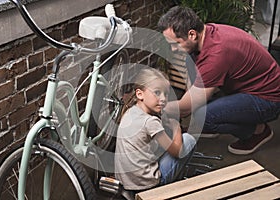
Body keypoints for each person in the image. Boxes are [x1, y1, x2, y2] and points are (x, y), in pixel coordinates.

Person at [157, 6, 280, 155]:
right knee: (197, 106)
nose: (173, 49)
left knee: (204, 117)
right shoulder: (206, 33)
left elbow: (186, 108)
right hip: (249, 85)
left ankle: (258, 131)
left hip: (268, 99)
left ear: (192, 34)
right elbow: (194, 83)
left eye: (175, 44)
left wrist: (157, 108)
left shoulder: (216, 55)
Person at [114, 68, 196, 192]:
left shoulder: (130, 112)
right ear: (139, 94)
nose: (163, 98)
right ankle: (169, 189)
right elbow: (177, 152)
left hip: (125, 181)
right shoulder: (150, 122)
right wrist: (176, 128)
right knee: (188, 140)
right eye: (157, 92)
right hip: (146, 184)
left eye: (166, 94)